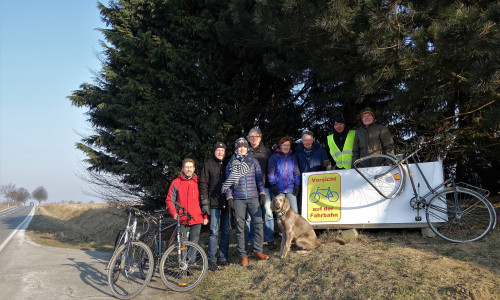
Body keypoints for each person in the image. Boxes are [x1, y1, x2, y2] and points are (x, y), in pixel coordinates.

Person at [222, 137, 269, 266]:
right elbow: (228, 183)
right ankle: (243, 255)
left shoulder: (253, 161)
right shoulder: (231, 163)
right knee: (240, 228)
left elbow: (259, 179)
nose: (242, 148)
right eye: (239, 147)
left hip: (253, 197)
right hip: (238, 199)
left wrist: (262, 193)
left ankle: (258, 250)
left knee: (258, 223)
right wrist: (229, 197)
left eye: (243, 146)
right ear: (236, 148)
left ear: (247, 148)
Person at [199, 142, 229, 271]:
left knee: (226, 232)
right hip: (214, 203)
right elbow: (203, 184)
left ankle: (223, 257)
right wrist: (205, 202)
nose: (220, 152)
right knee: (213, 232)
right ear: (214, 151)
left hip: (227, 203)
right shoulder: (208, 165)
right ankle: (212, 259)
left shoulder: (229, 164)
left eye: (222, 150)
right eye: (218, 150)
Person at [165, 158, 208, 249]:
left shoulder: (199, 182)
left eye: (191, 167)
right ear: (183, 169)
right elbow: (169, 200)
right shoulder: (176, 182)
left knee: (194, 243)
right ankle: (183, 262)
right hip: (182, 218)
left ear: (194, 168)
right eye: (186, 167)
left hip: (196, 218)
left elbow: (204, 200)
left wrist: (205, 216)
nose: (189, 169)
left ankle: (190, 262)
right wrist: (174, 213)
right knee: (182, 244)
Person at [246, 127, 276, 250]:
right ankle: (251, 240)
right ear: (248, 139)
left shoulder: (267, 152)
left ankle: (269, 239)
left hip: (265, 187)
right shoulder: (244, 152)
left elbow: (271, 169)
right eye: (251, 136)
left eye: (256, 136)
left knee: (268, 213)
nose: (253, 139)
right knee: (249, 216)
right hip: (249, 188)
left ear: (260, 138)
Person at [294, 130, 331, 214]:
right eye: (305, 140)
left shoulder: (320, 151)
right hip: (303, 183)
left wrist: (326, 164)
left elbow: (326, 165)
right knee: (303, 204)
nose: (307, 142)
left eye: (309, 140)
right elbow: (295, 169)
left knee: (318, 202)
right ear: (302, 142)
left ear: (312, 141)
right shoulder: (297, 153)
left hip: (318, 181)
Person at [267, 136, 301, 213]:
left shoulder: (292, 158)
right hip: (278, 189)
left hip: (290, 189)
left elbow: (296, 172)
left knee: (294, 211)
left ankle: (294, 225)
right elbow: (270, 173)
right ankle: (282, 225)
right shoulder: (274, 157)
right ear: (280, 146)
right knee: (281, 212)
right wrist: (273, 184)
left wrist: (297, 185)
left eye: (288, 145)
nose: (286, 147)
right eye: (284, 145)